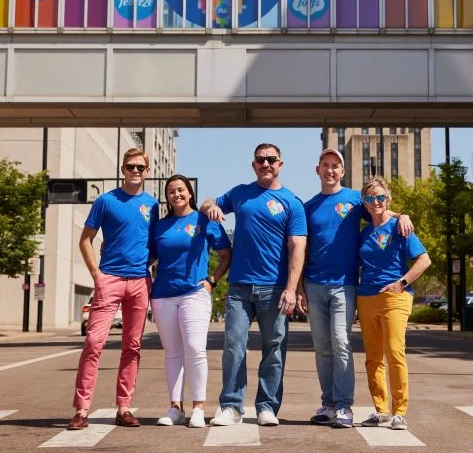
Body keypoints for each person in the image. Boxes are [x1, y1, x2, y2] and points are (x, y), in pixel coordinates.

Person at [301, 148, 412, 429]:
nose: (330, 170)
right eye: (325, 165)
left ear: (343, 171)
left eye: (335, 166)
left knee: (340, 342)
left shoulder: (354, 200)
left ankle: (343, 407)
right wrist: (299, 286)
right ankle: (327, 404)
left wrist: (403, 215)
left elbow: (380, 208)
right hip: (314, 284)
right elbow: (301, 249)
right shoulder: (308, 206)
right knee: (322, 347)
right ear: (318, 170)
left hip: (345, 285)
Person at [201, 143, 307, 427]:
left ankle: (267, 406)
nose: (266, 164)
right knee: (234, 345)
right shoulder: (240, 193)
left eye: (271, 159)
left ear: (280, 164)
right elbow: (208, 202)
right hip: (239, 288)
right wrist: (210, 207)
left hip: (274, 288)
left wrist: (291, 287)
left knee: (274, 347)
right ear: (254, 164)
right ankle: (231, 406)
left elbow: (298, 246)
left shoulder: (291, 202)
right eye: (261, 159)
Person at [67, 148, 158, 431]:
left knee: (132, 347)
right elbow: (86, 240)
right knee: (93, 343)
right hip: (110, 279)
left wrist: (147, 262)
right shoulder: (106, 201)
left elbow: (155, 245)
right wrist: (97, 274)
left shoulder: (153, 206)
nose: (135, 172)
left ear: (147, 171)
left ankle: (124, 407)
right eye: (131, 167)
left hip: (140, 282)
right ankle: (82, 410)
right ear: (122, 169)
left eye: (140, 168)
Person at [149, 175, 232, 428]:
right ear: (167, 197)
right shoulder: (160, 227)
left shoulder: (204, 220)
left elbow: (226, 255)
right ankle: (176, 408)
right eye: (172, 191)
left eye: (181, 190)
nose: (177, 194)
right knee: (172, 353)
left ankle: (198, 407)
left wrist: (212, 281)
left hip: (194, 294)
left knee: (195, 349)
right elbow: (148, 258)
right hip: (163, 295)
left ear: (190, 193)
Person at [356, 176, 431, 431]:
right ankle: (381, 411)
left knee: (394, 352)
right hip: (366, 297)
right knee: (373, 357)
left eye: (380, 197)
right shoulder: (364, 232)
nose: (375, 202)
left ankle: (399, 412)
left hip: (395, 297)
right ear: (364, 203)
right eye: (369, 198)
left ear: (387, 199)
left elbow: (424, 260)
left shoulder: (401, 227)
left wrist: (402, 282)